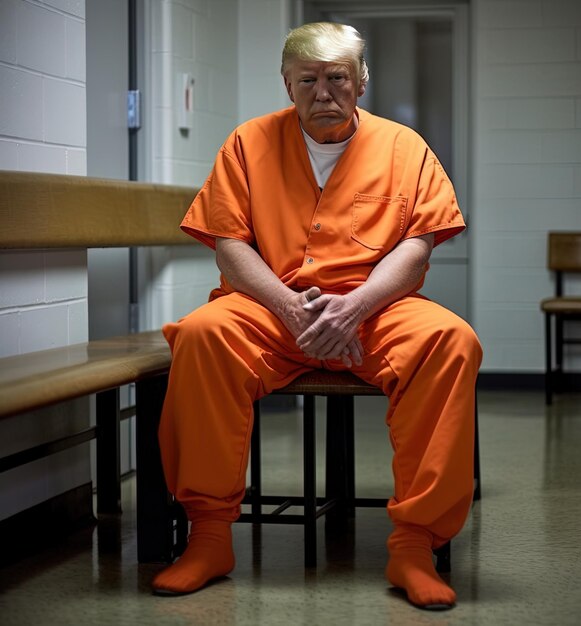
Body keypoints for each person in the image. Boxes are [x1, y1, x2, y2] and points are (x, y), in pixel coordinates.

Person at [151, 21, 482, 610]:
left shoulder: (404, 147)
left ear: (361, 82)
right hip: (271, 308)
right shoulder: (248, 143)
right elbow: (229, 242)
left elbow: (418, 244)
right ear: (286, 84)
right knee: (203, 336)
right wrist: (287, 304)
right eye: (308, 80)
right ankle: (208, 537)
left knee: (450, 341)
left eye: (337, 78)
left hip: (375, 309)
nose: (323, 93)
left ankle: (412, 546)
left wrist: (355, 307)